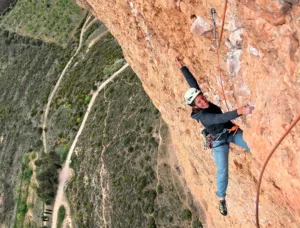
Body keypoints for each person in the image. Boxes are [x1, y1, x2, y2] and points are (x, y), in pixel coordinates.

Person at [175, 58, 253, 216]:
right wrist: (240, 111)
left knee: (252, 144)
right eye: (199, 101)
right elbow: (219, 119)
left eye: (202, 97)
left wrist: (182, 67)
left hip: (230, 131)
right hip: (219, 141)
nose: (204, 101)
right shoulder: (204, 117)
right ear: (195, 106)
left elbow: (193, 84)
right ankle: (221, 198)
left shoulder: (198, 99)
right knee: (223, 170)